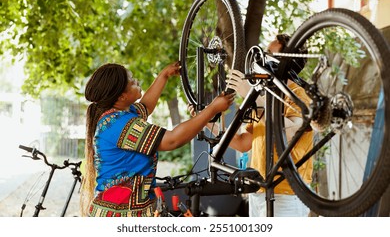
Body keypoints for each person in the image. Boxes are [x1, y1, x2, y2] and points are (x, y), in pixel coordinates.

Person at [80, 61, 235, 217]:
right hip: (118, 215)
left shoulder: (122, 113)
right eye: (132, 81)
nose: (137, 81)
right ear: (121, 96)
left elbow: (146, 106)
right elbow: (173, 140)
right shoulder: (120, 125)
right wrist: (212, 109)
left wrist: (164, 75)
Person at [190, 34, 313, 217]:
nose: (264, 57)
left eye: (271, 53)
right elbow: (242, 142)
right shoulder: (264, 95)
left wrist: (250, 93)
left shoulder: (299, 96)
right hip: (259, 191)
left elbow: (288, 133)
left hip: (287, 194)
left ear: (288, 62)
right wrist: (205, 121)